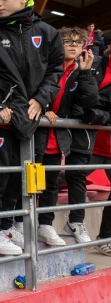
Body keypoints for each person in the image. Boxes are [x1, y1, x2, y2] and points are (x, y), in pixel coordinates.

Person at [0, 0, 64, 255]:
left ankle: (8, 225)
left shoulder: (48, 33)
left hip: (33, 116)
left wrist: (41, 99)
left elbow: (55, 72)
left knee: (22, 177)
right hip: (3, 117)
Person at [7, 27, 99, 246]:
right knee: (28, 180)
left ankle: (45, 225)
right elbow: (29, 89)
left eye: (78, 42)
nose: (74, 45)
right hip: (35, 131)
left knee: (50, 183)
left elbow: (89, 102)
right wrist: (44, 104)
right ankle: (19, 223)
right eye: (68, 41)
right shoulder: (45, 65)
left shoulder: (81, 70)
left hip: (57, 136)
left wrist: (86, 74)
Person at [87, 46, 111, 256]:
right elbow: (89, 100)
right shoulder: (95, 65)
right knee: (64, 180)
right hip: (91, 143)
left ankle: (104, 238)